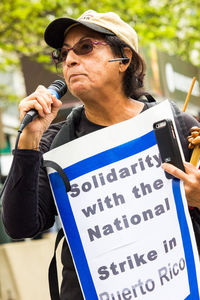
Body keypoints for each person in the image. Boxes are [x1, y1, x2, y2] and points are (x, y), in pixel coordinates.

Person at [2, 10, 200, 300]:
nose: (70, 60)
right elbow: (20, 225)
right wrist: (28, 140)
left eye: (85, 47)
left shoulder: (176, 125)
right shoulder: (53, 142)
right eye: (63, 54)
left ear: (125, 59)